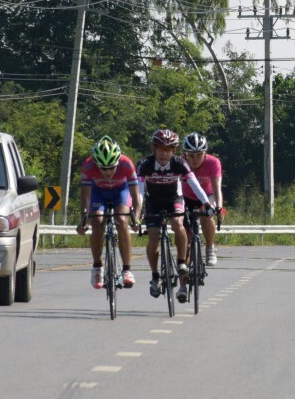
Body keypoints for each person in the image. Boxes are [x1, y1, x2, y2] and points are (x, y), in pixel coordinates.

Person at [135, 128, 214, 304]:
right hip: (153, 202)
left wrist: (206, 203)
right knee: (153, 237)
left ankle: (181, 263)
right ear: (153, 148)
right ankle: (155, 276)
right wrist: (137, 213)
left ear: (174, 150)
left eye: (169, 149)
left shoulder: (180, 163)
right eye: (161, 149)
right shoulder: (144, 164)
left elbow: (194, 184)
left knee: (178, 223)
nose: (164, 153)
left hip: (174, 199)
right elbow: (139, 192)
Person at [76, 136, 141, 291]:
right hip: (99, 193)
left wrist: (136, 219)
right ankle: (97, 267)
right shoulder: (88, 165)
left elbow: (136, 197)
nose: (108, 172)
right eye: (103, 168)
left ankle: (127, 270)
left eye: (111, 168)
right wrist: (83, 220)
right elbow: (85, 197)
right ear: (96, 164)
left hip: (121, 191)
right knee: (97, 222)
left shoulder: (126, 164)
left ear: (117, 162)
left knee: (122, 220)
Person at [181, 132, 224, 268]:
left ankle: (210, 248)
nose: (195, 159)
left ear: (205, 153)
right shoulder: (179, 163)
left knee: (207, 214)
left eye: (199, 154)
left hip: (207, 195)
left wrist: (219, 207)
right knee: (183, 226)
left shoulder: (213, 162)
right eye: (191, 155)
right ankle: (186, 251)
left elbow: (217, 188)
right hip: (186, 197)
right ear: (184, 154)